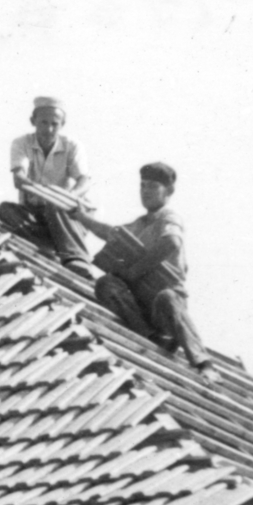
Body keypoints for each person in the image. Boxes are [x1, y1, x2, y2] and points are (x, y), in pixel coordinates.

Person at [68, 162, 218, 384]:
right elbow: (111, 233)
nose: (145, 191)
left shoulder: (168, 218)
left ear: (169, 191)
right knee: (106, 283)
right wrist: (80, 216)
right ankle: (150, 337)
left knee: (167, 297)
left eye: (153, 186)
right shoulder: (139, 224)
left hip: (166, 309)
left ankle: (204, 363)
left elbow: (172, 242)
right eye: (143, 186)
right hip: (142, 308)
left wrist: (133, 272)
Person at [0, 95, 94, 277]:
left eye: (54, 124)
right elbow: (19, 178)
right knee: (5, 210)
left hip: (63, 212)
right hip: (35, 213)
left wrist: (68, 196)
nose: (48, 129)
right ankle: (48, 248)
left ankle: (76, 258)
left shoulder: (73, 146)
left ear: (62, 125)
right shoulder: (21, 143)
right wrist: (37, 189)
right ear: (33, 121)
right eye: (43, 123)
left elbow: (84, 180)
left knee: (56, 205)